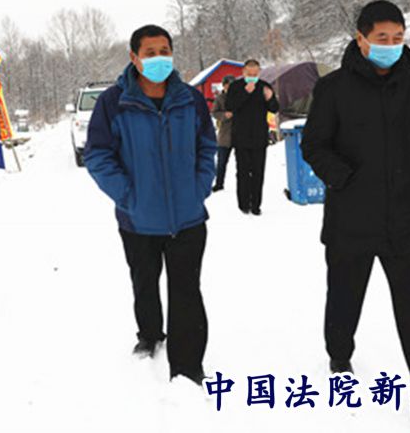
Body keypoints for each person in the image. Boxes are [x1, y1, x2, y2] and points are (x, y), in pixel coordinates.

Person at [300, 1, 410, 430]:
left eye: (398, 38)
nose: (391, 45)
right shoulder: (333, 88)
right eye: (382, 38)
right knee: (344, 298)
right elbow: (313, 145)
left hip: (405, 219)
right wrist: (345, 179)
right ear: (361, 39)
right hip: (351, 219)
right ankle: (340, 355)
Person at [84, 24, 217, 386]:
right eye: (150, 53)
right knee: (145, 282)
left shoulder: (189, 99)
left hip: (187, 217)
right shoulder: (114, 102)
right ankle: (150, 333)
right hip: (138, 220)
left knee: (186, 290)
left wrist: (198, 187)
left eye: (164, 51)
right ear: (134, 57)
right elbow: (97, 155)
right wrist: (128, 196)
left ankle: (188, 368)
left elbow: (207, 145)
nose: (159, 58)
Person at [225, 59, 279, 215]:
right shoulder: (235, 86)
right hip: (241, 137)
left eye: (255, 74)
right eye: (249, 74)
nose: (252, 77)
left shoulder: (264, 86)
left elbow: (274, 109)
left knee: (258, 172)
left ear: (259, 72)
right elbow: (230, 106)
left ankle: (256, 205)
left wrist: (270, 98)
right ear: (243, 72)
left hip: (259, 137)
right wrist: (245, 92)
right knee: (242, 172)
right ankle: (243, 204)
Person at [211, 75, 235, 192]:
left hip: (240, 134)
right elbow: (214, 112)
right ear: (224, 86)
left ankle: (243, 184)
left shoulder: (240, 97)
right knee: (221, 162)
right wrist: (224, 115)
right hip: (225, 135)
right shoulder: (220, 98)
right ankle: (219, 183)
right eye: (228, 85)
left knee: (243, 163)